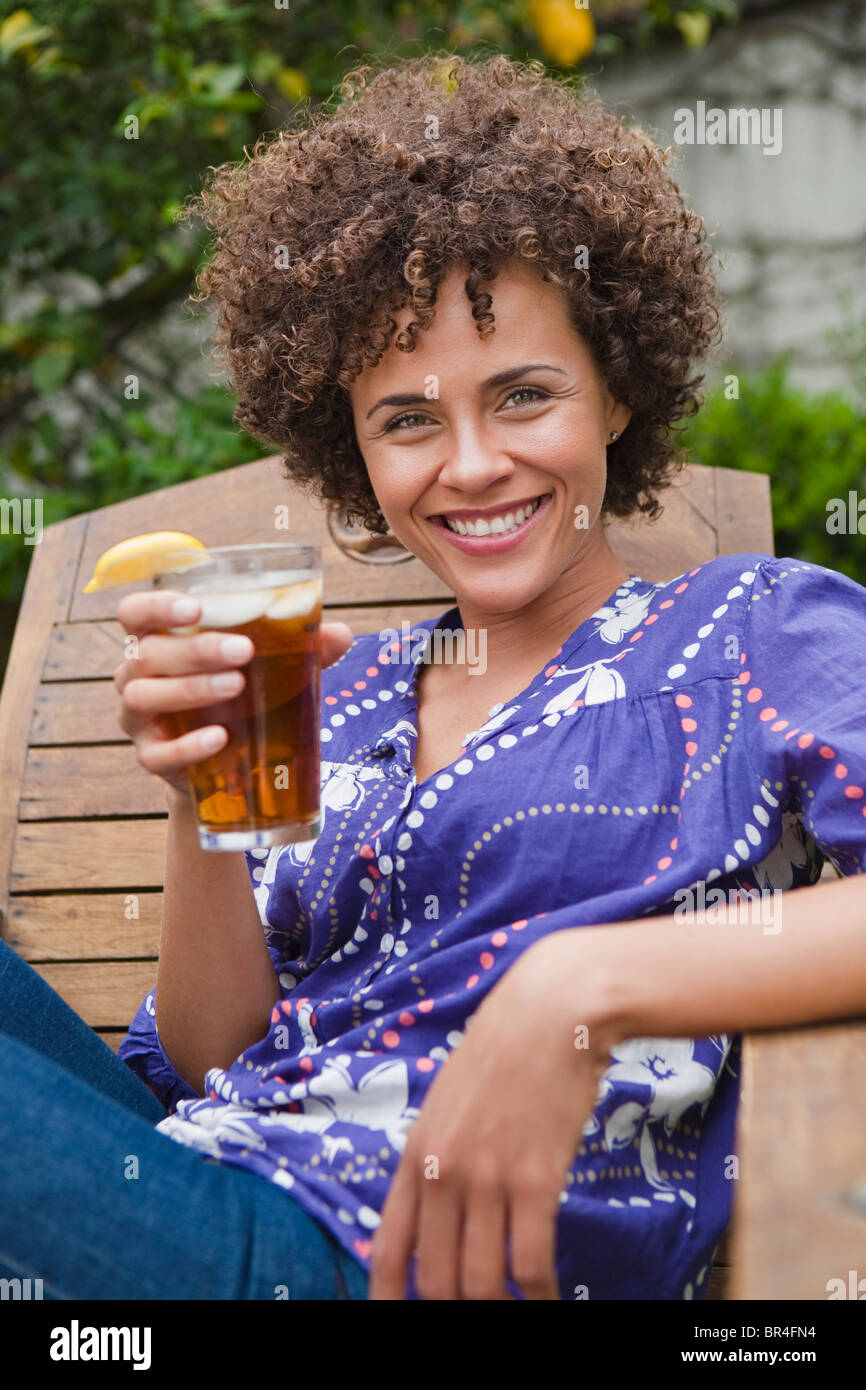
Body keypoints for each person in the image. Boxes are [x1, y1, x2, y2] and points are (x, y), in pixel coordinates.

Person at [2, 53, 865, 1302]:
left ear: (616, 390)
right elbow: (211, 1059)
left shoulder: (750, 631)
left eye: (522, 395)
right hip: (203, 1193)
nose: (470, 463)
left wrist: (580, 981)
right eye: (406, 419)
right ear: (350, 448)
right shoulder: (335, 699)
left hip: (375, 1263)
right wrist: (200, 794)